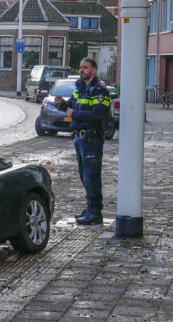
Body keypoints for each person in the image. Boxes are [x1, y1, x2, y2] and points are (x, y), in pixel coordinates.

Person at [54, 57, 111, 225]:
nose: (82, 70)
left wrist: (75, 114)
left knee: (91, 176)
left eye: (85, 67)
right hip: (80, 138)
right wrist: (61, 104)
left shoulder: (100, 91)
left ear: (93, 70)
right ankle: (90, 208)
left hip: (92, 138)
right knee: (84, 176)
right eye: (80, 67)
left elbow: (97, 114)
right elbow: (71, 105)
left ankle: (95, 212)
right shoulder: (80, 88)